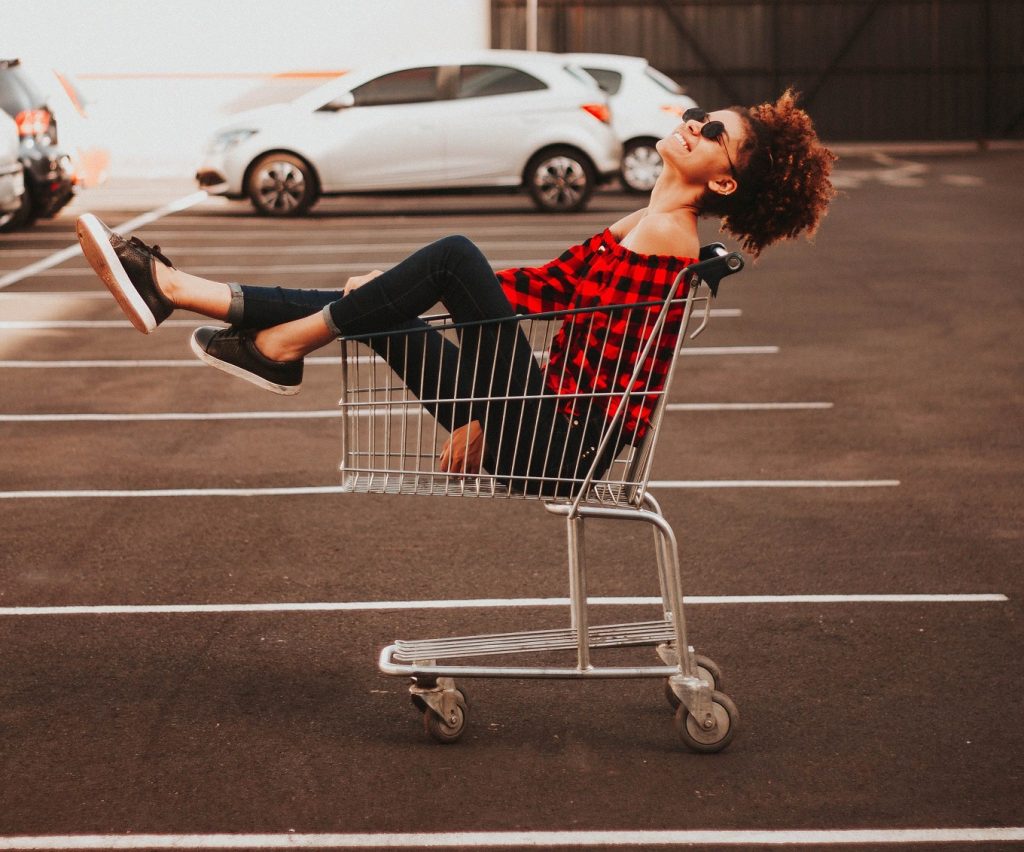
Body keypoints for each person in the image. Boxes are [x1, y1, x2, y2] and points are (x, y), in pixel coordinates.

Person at [77, 90, 835, 494]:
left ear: (723, 180)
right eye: (703, 118)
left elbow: (611, 374)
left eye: (713, 134)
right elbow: (547, 290)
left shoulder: (669, 241)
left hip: (562, 443)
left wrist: (487, 419)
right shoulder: (643, 219)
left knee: (451, 256)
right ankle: (177, 289)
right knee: (385, 305)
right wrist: (400, 292)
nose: (695, 126)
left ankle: (279, 344)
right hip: (539, 425)